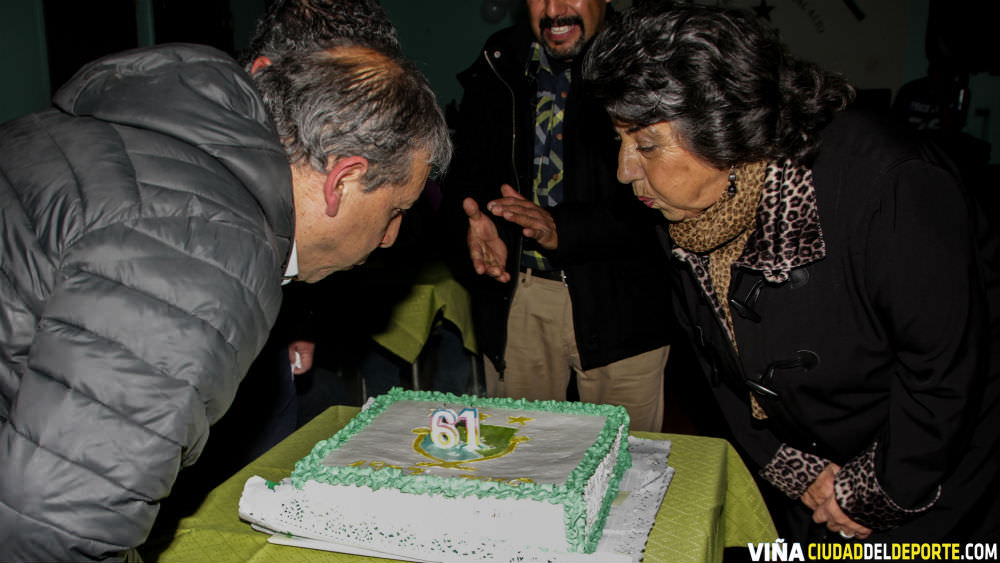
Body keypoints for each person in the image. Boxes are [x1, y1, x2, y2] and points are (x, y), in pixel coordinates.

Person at [0, 36, 450, 562]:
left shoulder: (155, 142)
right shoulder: (209, 248)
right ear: (343, 180)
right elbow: (61, 526)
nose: (391, 235)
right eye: (396, 209)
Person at [583, 2, 1000, 542]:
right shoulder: (686, 207)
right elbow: (716, 366)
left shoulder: (892, 185)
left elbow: (944, 371)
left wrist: (872, 490)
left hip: (931, 470)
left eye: (644, 143)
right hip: (815, 475)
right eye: (619, 142)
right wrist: (794, 469)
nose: (623, 171)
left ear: (722, 127)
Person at [443, 0, 673, 432]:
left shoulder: (648, 59)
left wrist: (563, 229)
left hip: (621, 301)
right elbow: (463, 166)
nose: (554, 9)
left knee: (626, 466)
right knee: (519, 464)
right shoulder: (499, 59)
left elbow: (671, 198)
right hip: (521, 294)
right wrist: (474, 221)